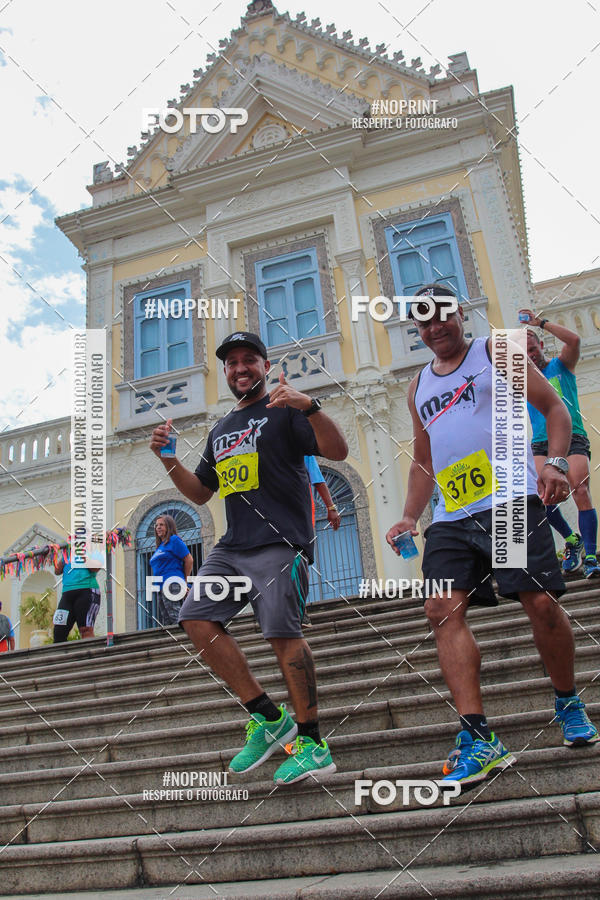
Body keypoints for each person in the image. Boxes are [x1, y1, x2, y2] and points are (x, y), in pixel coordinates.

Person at [386, 284, 598, 787]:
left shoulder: (494, 351)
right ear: (416, 329)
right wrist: (410, 516)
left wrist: (552, 463)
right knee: (440, 611)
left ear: (460, 313)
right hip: (451, 518)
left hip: (508, 504)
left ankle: (567, 700)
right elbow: (423, 459)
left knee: (540, 605)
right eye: (423, 321)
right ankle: (479, 737)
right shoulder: (418, 386)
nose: (435, 326)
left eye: (442, 315)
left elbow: (555, 409)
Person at [149, 331, 348, 784]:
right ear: (225, 371)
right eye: (232, 362)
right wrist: (168, 459)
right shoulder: (220, 429)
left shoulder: (285, 409)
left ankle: (312, 742)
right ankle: (268, 716)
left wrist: (310, 406)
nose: (240, 368)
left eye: (249, 360)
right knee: (196, 616)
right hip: (233, 547)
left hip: (281, 542)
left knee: (281, 632)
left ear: (263, 364)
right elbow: (201, 493)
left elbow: (337, 451)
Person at [522, 311, 600, 579]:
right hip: (542, 443)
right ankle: (571, 539)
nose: (531, 355)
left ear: (541, 346)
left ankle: (590, 555)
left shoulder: (561, 366)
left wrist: (540, 324)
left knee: (580, 489)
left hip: (572, 438)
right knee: (541, 498)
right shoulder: (523, 381)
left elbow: (575, 340)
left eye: (533, 349)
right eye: (525, 352)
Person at [301, 456, 341, 626]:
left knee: (299, 560)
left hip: (299, 516)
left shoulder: (302, 449)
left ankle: (299, 608)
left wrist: (331, 507)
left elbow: (317, 479)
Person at [149, 514, 193, 626]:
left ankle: (186, 641)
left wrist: (184, 581)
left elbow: (189, 560)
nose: (158, 527)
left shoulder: (174, 540)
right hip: (160, 586)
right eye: (157, 525)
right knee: (167, 620)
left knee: (175, 616)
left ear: (169, 527)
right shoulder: (160, 547)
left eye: (162, 525)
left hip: (172, 583)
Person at [53, 555, 102, 641]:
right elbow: (57, 571)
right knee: (59, 631)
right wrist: (65, 555)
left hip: (87, 590)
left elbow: (96, 568)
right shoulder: (68, 551)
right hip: (67, 593)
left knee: (85, 629)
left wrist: (81, 553)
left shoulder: (93, 545)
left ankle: (89, 653)